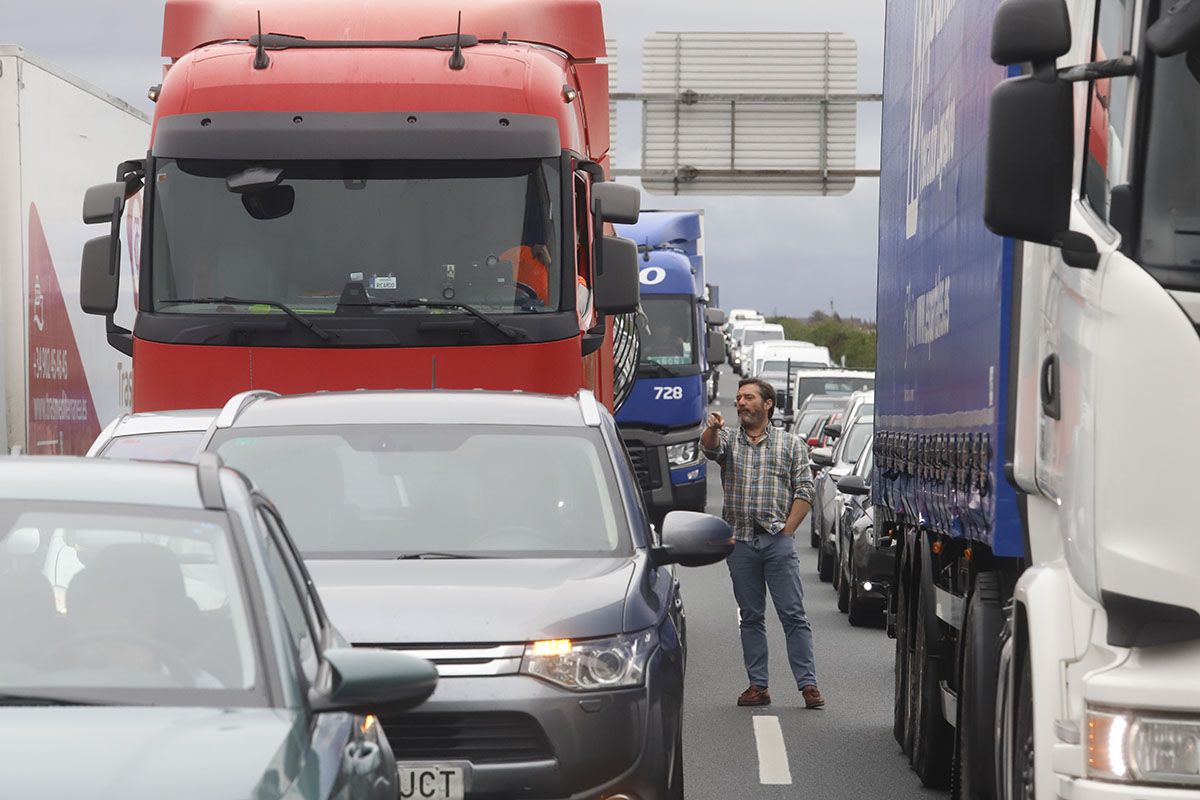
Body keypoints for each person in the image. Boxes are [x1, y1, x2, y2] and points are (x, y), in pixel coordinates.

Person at [700, 377, 824, 709]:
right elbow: (710, 448)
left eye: (748, 397)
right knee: (751, 617)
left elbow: (805, 490)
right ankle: (758, 686)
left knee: (793, 614)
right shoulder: (729, 439)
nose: (741, 402)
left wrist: (787, 531)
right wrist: (712, 427)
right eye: (739, 398)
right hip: (740, 541)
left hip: (776, 542)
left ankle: (808, 685)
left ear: (767, 404)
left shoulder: (791, 444)